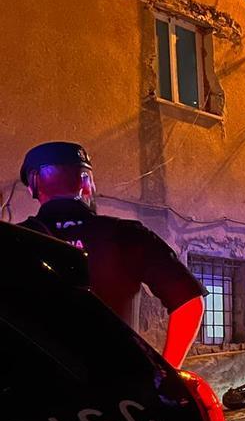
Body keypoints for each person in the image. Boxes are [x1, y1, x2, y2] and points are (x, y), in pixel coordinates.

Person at [18, 141, 205, 368]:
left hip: (36, 390)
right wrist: (168, 375)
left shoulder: (14, 239)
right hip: (120, 390)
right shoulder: (126, 235)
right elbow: (189, 302)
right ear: (86, 184)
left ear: (34, 185)